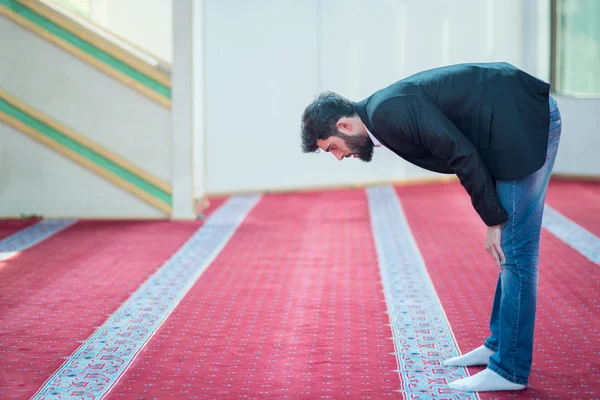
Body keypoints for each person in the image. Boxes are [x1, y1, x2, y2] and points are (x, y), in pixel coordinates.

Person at [299, 62, 562, 393]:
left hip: (523, 122)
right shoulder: (382, 113)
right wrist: (494, 213)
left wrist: (493, 217)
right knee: (510, 248)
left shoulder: (387, 113)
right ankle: (499, 345)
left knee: (517, 249)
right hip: (506, 126)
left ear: (343, 125)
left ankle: (510, 368)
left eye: (332, 147)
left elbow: (460, 153)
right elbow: (465, 142)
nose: (338, 157)